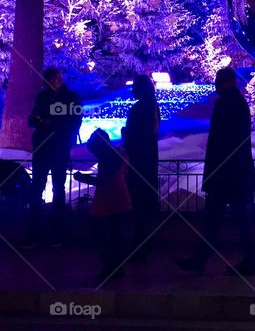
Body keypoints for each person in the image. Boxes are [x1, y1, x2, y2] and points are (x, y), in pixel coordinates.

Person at [176, 67, 255, 277]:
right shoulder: (236, 102)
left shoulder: (227, 104)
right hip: (234, 173)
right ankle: (208, 260)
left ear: (227, 82)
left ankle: (202, 261)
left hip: (227, 174)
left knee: (219, 219)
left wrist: (217, 170)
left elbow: (223, 142)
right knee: (233, 219)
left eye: (219, 80)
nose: (216, 84)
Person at [25, 67, 82, 247]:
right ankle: (36, 233)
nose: (55, 81)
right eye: (51, 78)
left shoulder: (69, 97)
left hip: (57, 146)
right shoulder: (44, 97)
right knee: (40, 186)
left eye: (57, 78)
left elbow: (73, 121)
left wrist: (50, 124)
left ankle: (55, 233)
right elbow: (32, 119)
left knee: (57, 187)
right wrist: (46, 123)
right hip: (46, 146)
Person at [74, 129, 132, 284]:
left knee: (103, 236)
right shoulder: (117, 155)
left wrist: (82, 178)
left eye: (94, 150)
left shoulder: (109, 159)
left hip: (111, 201)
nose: (93, 154)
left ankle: (112, 267)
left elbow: (103, 182)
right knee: (114, 237)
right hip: (118, 200)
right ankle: (115, 268)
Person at [122, 74, 160, 260]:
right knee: (144, 201)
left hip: (138, 161)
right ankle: (144, 242)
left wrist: (125, 135)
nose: (132, 90)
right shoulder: (153, 106)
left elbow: (137, 136)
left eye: (135, 87)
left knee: (137, 201)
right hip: (149, 160)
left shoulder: (140, 108)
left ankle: (140, 244)